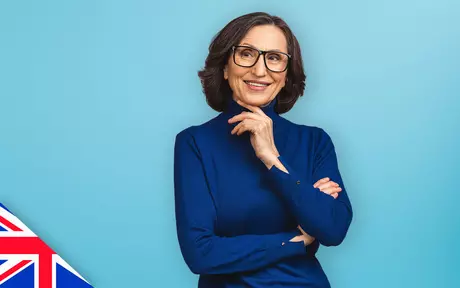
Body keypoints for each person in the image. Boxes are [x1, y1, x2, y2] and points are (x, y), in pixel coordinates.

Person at [173, 12, 353, 288]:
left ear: (286, 75)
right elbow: (201, 254)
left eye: (274, 58)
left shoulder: (315, 142)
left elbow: (333, 229)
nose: (260, 70)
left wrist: (271, 157)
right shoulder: (195, 143)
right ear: (224, 67)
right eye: (246, 54)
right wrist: (297, 239)